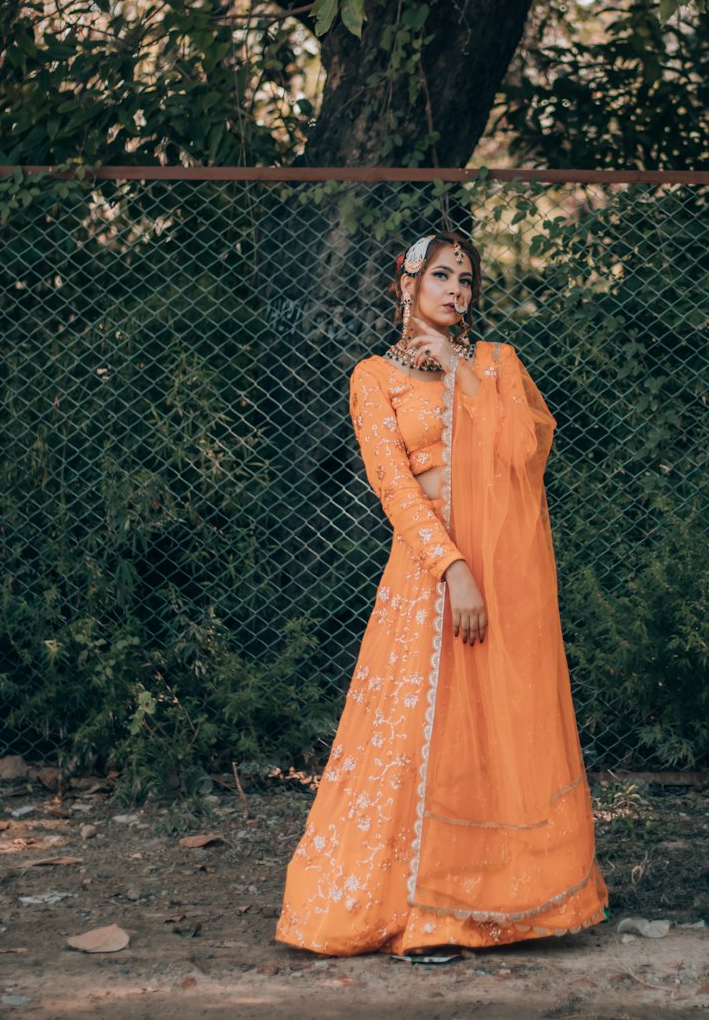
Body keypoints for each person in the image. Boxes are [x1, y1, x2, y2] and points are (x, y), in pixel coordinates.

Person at [274, 231, 607, 956]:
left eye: (465, 278)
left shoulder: (494, 364)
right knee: (416, 739)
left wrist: (459, 369)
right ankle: (420, 915)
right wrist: (453, 566)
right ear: (406, 286)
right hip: (427, 576)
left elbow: (525, 453)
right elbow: (392, 485)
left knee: (492, 733)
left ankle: (500, 906)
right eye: (440, 276)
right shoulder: (373, 377)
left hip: (506, 571)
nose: (455, 289)